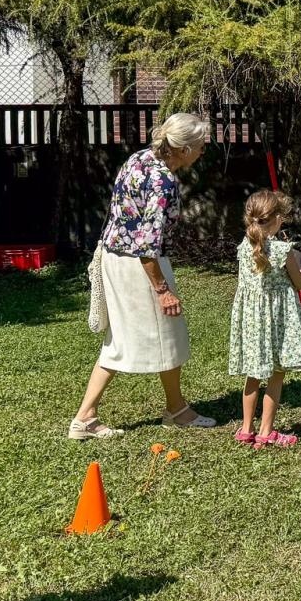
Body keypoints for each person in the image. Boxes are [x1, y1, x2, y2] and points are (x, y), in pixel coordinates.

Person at [69, 111, 219, 440]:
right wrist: (163, 290)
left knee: (169, 335)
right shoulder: (163, 181)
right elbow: (147, 245)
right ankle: (85, 417)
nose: (202, 151)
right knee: (124, 343)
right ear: (183, 149)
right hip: (139, 265)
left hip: (116, 257)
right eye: (200, 146)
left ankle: (176, 408)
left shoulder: (141, 158)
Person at [228, 189, 301, 449]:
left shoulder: (244, 246)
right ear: (277, 218)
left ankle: (246, 430)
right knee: (276, 374)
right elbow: (300, 283)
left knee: (253, 376)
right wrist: (297, 261)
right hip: (276, 322)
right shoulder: (282, 250)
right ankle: (266, 432)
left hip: (253, 324)